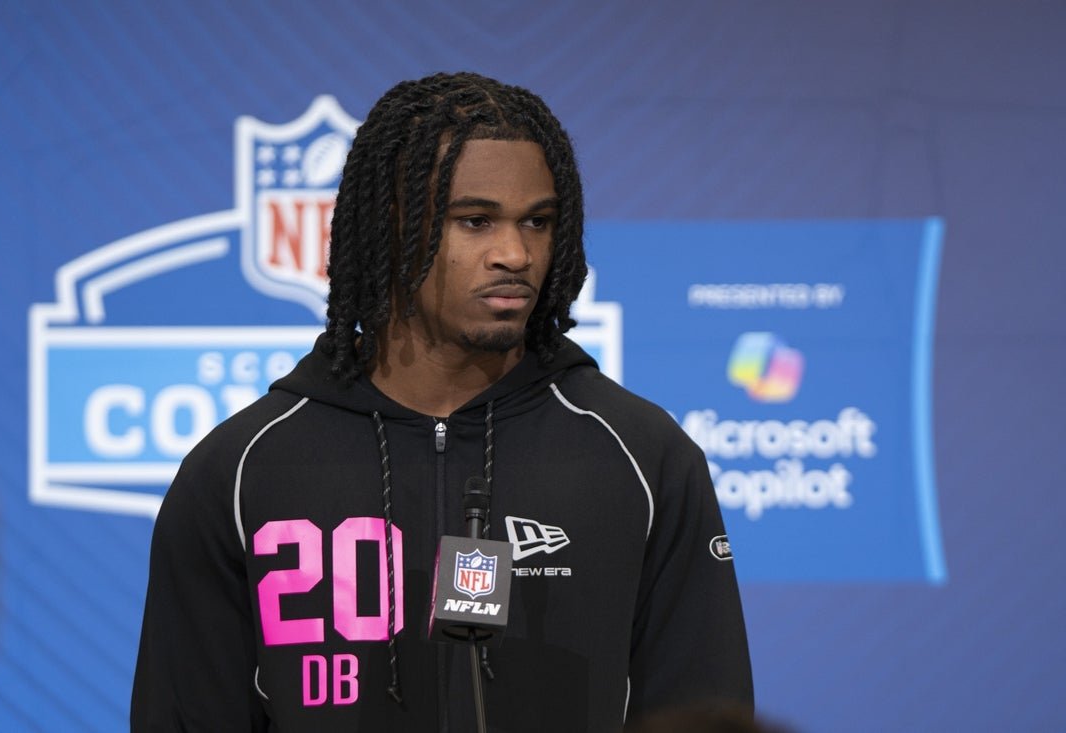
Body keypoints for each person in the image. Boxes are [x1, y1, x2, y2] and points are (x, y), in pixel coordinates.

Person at [132, 71, 752, 732]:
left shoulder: (642, 457)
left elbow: (703, 714)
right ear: (390, 227)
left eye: (537, 222)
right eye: (474, 221)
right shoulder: (241, 470)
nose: (515, 253)